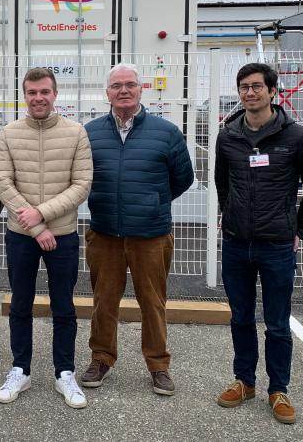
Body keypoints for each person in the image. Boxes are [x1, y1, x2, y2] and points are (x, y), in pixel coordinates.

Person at [214, 62, 303, 424]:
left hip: (277, 246)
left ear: (272, 91)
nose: (250, 92)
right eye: (244, 86)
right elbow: (222, 182)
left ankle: (278, 390)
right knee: (241, 318)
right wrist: (228, 216)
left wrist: (300, 230)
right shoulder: (227, 135)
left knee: (277, 323)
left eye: (257, 86)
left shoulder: (298, 138)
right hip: (235, 244)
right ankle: (244, 381)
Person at [79, 63, 195, 396]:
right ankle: (101, 358)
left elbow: (182, 178)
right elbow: (81, 176)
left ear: (141, 89)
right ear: (108, 93)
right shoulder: (90, 132)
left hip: (151, 236)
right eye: (117, 86)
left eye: (130, 84)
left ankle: (158, 365)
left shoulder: (166, 132)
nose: (124, 91)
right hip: (105, 234)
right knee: (103, 301)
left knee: (153, 303)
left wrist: (153, 201)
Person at [0, 67, 93, 409]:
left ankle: (64, 372)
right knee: (20, 304)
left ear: (55, 94)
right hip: (22, 235)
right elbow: (4, 184)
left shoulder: (76, 133)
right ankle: (20, 369)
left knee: (63, 306)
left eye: (44, 92)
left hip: (62, 236)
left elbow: (81, 184)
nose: (38, 98)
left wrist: (43, 214)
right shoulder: (8, 134)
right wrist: (35, 225)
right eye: (32, 92)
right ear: (25, 95)